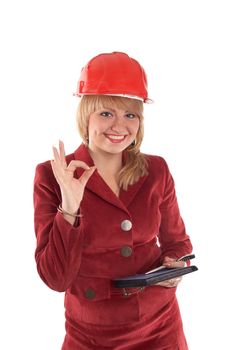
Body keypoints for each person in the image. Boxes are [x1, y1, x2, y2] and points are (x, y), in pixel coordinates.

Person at [33, 51, 193, 349]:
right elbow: (56, 279)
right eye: (106, 113)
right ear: (86, 116)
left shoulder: (156, 169)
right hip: (91, 333)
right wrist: (69, 205)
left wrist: (176, 265)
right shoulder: (52, 175)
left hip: (161, 327)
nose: (119, 126)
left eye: (130, 114)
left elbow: (178, 243)